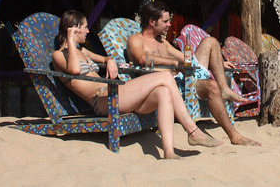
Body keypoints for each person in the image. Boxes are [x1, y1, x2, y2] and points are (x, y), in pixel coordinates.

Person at [51, 10, 222, 159]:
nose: (88, 31)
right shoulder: (58, 55)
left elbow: (104, 58)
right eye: (84, 27)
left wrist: (110, 60)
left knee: (163, 91)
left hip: (114, 92)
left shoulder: (82, 51)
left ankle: (169, 152)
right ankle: (192, 131)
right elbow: (73, 70)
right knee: (165, 77)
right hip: (102, 100)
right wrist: (71, 42)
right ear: (73, 29)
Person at [127, 1, 260, 146]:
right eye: (165, 21)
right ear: (152, 22)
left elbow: (186, 58)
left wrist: (218, 63)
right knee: (211, 86)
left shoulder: (163, 43)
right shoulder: (135, 40)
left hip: (183, 76)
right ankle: (235, 136)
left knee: (211, 41)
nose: (169, 25)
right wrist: (172, 63)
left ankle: (224, 89)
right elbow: (141, 58)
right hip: (171, 86)